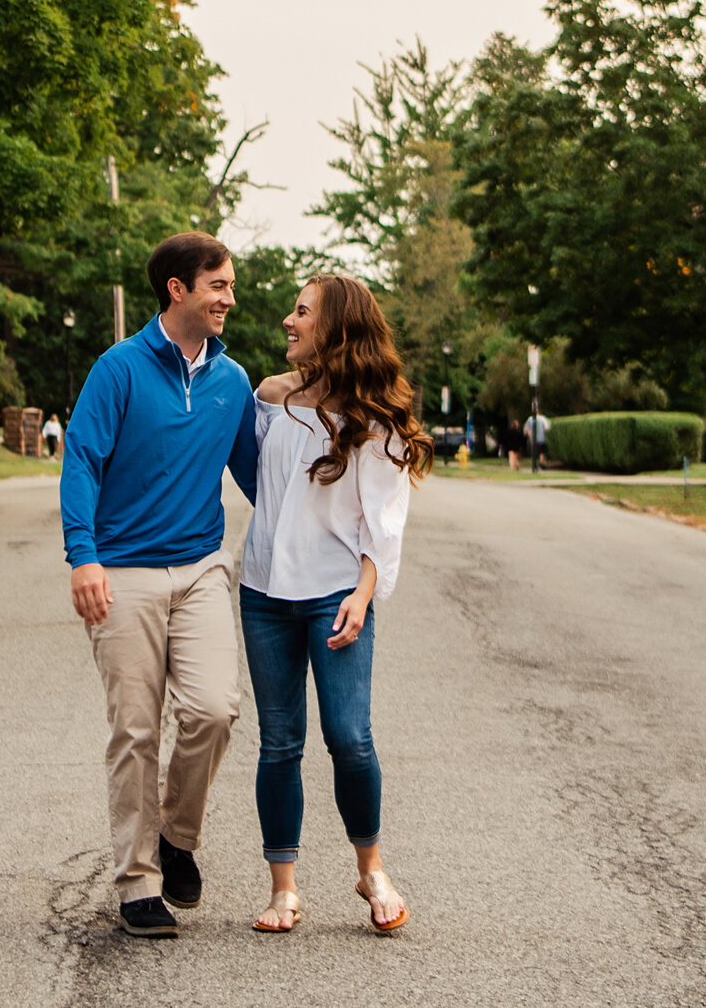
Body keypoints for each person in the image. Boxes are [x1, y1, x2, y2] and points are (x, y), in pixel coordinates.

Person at [60, 231, 260, 939]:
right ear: (178, 289)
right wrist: (83, 556)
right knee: (136, 729)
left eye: (230, 286)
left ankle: (177, 837)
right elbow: (80, 459)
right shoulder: (118, 369)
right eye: (219, 286)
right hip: (123, 572)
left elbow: (259, 478)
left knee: (214, 711)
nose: (230, 299)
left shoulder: (233, 383)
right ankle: (140, 882)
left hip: (201, 567)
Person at [239, 273, 432, 936]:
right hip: (263, 592)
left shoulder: (374, 418)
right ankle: (284, 889)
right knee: (278, 744)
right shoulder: (269, 397)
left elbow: (387, 516)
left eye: (301, 313)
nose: (288, 322)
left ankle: (371, 869)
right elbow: (249, 471)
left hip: (334, 596)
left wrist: (364, 592)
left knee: (349, 738)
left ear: (336, 325)